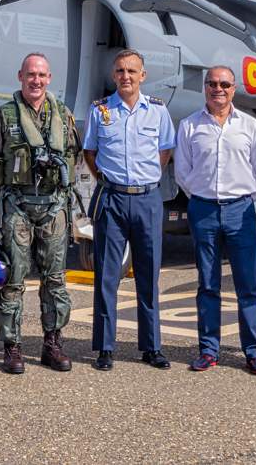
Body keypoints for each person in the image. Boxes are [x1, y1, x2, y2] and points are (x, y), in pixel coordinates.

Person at [0, 52, 81, 374]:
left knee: (55, 280)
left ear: (49, 79)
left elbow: (74, 158)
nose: (36, 81)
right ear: (20, 77)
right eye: (30, 75)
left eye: (41, 75)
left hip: (54, 208)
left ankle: (53, 344)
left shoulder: (63, 115)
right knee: (13, 280)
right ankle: (12, 347)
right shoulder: (4, 116)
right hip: (17, 207)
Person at [174, 66, 256, 375]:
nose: (219, 89)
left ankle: (254, 352)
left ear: (234, 89)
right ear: (205, 87)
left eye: (225, 84)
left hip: (240, 210)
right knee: (208, 283)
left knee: (247, 284)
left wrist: (243, 198)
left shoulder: (250, 126)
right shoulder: (190, 125)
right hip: (203, 210)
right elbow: (182, 172)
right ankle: (208, 350)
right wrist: (202, 196)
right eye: (213, 83)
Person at [83, 49, 174, 371]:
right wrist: (106, 181)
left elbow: (165, 151)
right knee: (107, 276)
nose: (126, 77)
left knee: (148, 275)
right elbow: (90, 151)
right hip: (112, 200)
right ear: (114, 75)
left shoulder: (158, 111)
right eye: (121, 71)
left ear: (142, 76)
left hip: (148, 199)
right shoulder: (100, 110)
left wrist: (147, 179)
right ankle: (105, 347)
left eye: (132, 71)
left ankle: (151, 347)